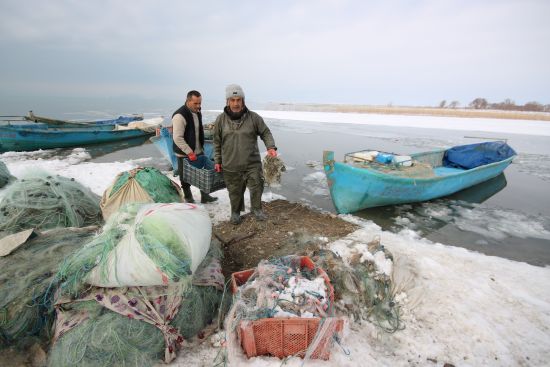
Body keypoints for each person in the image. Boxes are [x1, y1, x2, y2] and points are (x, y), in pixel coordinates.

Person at [213, 84, 277, 224]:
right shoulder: (220, 120)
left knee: (256, 187)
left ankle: (256, 209)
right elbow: (217, 142)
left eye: (238, 100)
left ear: (243, 100)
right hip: (231, 164)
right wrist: (217, 160)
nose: (236, 103)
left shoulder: (254, 118)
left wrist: (271, 147)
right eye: (232, 100)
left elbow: (265, 132)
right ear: (227, 101)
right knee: (234, 192)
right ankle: (235, 212)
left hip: (251, 163)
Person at [172, 90, 218, 204]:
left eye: (200, 103)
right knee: (185, 177)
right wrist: (189, 152)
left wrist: (199, 149)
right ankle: (188, 197)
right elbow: (177, 138)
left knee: (203, 174)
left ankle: (205, 196)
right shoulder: (179, 115)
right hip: (184, 153)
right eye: (196, 103)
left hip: (198, 150)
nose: (198, 106)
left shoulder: (197, 112)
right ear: (188, 101)